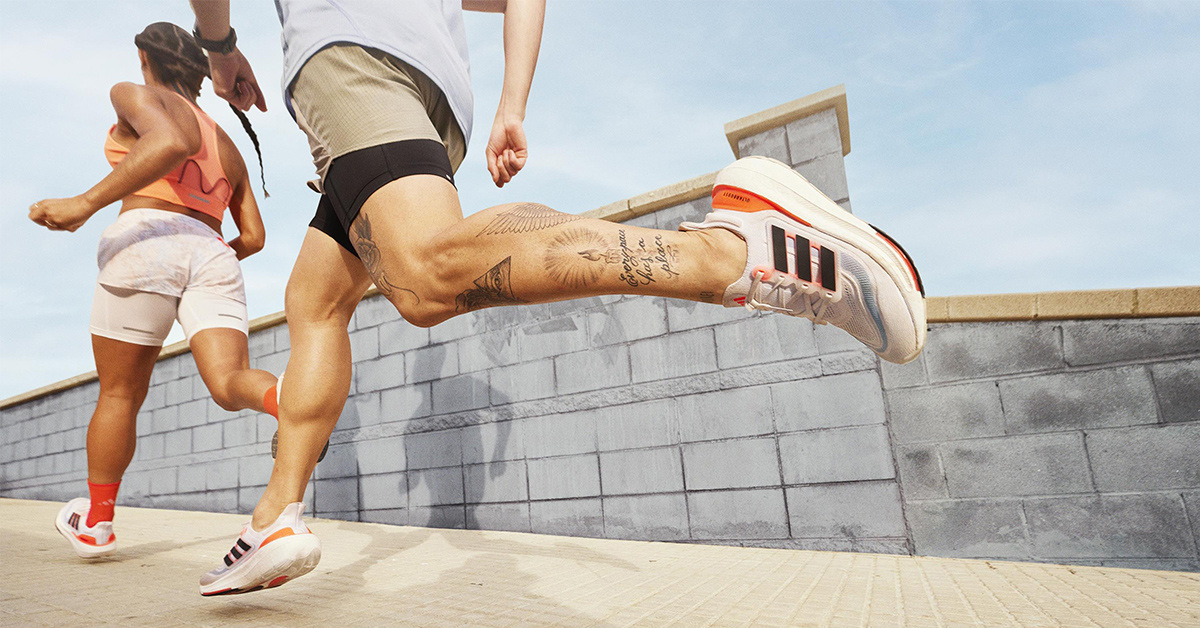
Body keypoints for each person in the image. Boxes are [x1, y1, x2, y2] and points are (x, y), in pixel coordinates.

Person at [189, 0, 927, 596]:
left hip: (344, 49)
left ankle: (740, 249)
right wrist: (513, 103)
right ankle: (276, 517)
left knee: (421, 276)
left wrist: (218, 43)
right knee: (316, 299)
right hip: (437, 92)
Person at [28, 23, 279, 559]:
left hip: (145, 239)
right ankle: (290, 402)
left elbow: (170, 141)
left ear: (145, 56)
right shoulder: (228, 143)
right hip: (211, 250)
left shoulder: (134, 93)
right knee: (230, 381)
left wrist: (83, 203)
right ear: (198, 71)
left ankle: (96, 524)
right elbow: (254, 238)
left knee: (120, 393)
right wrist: (202, 255)